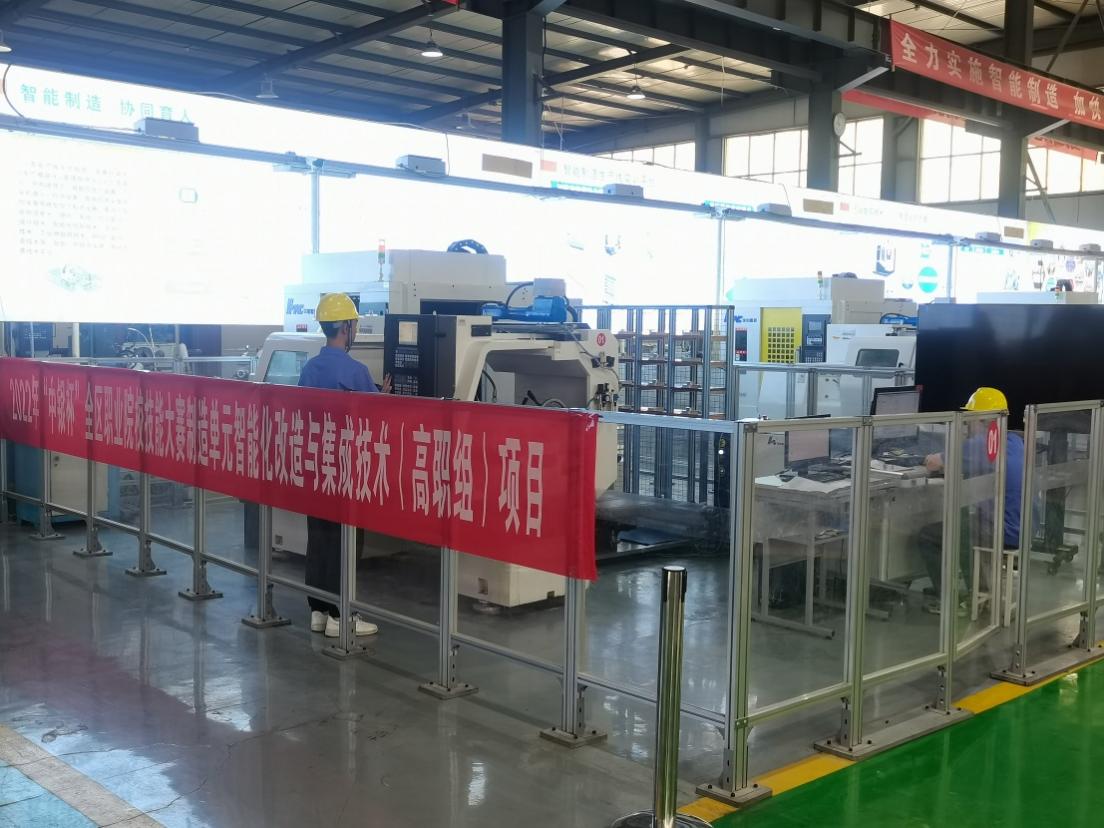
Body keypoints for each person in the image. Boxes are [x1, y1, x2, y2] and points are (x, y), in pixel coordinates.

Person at [298, 294, 389, 639]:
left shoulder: (310, 368)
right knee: (345, 540)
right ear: (348, 327)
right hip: (345, 469)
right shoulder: (355, 371)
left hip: (315, 466)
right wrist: (384, 397)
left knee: (319, 538)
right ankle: (342, 615)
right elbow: (372, 416)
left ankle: (319, 611)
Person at [917, 387, 1025, 616]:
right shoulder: (1015, 441)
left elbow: (934, 462)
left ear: (983, 420)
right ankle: (978, 588)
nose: (967, 424)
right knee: (965, 520)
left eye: (970, 419)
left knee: (930, 535)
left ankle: (953, 600)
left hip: (1003, 530)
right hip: (1024, 526)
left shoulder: (980, 445)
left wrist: (927, 458)